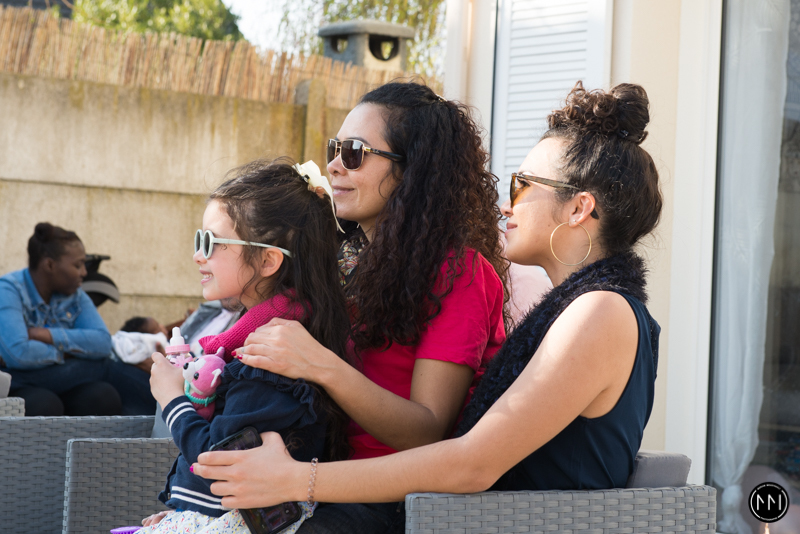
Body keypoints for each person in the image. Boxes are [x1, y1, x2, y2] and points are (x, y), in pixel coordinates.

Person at [191, 81, 663, 524]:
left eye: (521, 185)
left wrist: (297, 479)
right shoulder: (579, 309)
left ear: (578, 208)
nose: (506, 204)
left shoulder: (600, 311)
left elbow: (472, 463)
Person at [200, 82, 509, 532]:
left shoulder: (458, 272)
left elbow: (428, 430)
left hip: (392, 499)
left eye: (354, 153)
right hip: (305, 480)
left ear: (410, 170)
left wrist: (321, 365)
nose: (332, 165)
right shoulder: (338, 260)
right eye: (335, 149)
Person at [140, 159, 353, 534]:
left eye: (210, 243)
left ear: (268, 260)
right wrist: (181, 511)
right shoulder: (260, 337)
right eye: (198, 240)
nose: (198, 255)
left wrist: (172, 399)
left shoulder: (269, 356)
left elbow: (218, 461)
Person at [0, 223, 155, 415]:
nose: (84, 272)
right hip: (21, 380)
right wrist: (71, 353)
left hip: (64, 377)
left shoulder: (74, 294)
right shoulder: (8, 290)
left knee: (103, 396)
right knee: (45, 404)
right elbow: (19, 354)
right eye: (77, 265)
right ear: (49, 265)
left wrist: (47, 335)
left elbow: (102, 342)